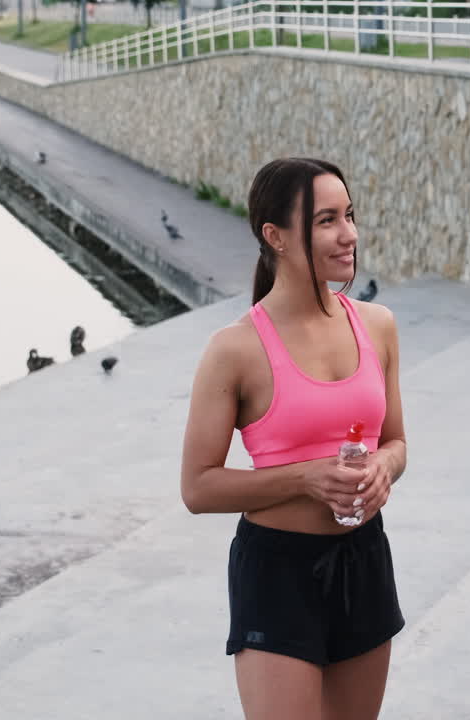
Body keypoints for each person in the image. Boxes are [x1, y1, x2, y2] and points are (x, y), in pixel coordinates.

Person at [180, 157, 407, 720]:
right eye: (327, 220)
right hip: (276, 573)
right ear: (275, 236)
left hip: (364, 559)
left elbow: (396, 442)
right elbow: (198, 488)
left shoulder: (377, 325)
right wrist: (307, 478)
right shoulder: (234, 349)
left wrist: (384, 468)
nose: (349, 234)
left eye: (349, 215)